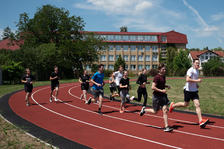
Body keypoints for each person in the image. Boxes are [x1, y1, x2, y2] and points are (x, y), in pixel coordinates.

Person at [169, 59, 209, 128]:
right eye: (196, 63)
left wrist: (196, 84)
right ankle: (173, 106)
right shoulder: (190, 70)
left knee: (197, 104)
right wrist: (197, 81)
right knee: (185, 104)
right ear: (193, 63)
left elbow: (193, 79)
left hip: (194, 91)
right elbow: (187, 79)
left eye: (198, 63)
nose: (198, 64)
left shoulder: (197, 71)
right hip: (188, 90)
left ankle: (200, 121)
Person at [140, 64, 173, 132]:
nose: (165, 70)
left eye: (165, 69)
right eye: (163, 69)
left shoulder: (164, 76)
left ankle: (166, 126)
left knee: (165, 110)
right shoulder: (156, 77)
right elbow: (153, 87)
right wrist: (161, 90)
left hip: (163, 96)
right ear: (159, 70)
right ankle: (144, 110)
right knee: (155, 111)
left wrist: (166, 86)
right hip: (156, 97)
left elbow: (162, 85)